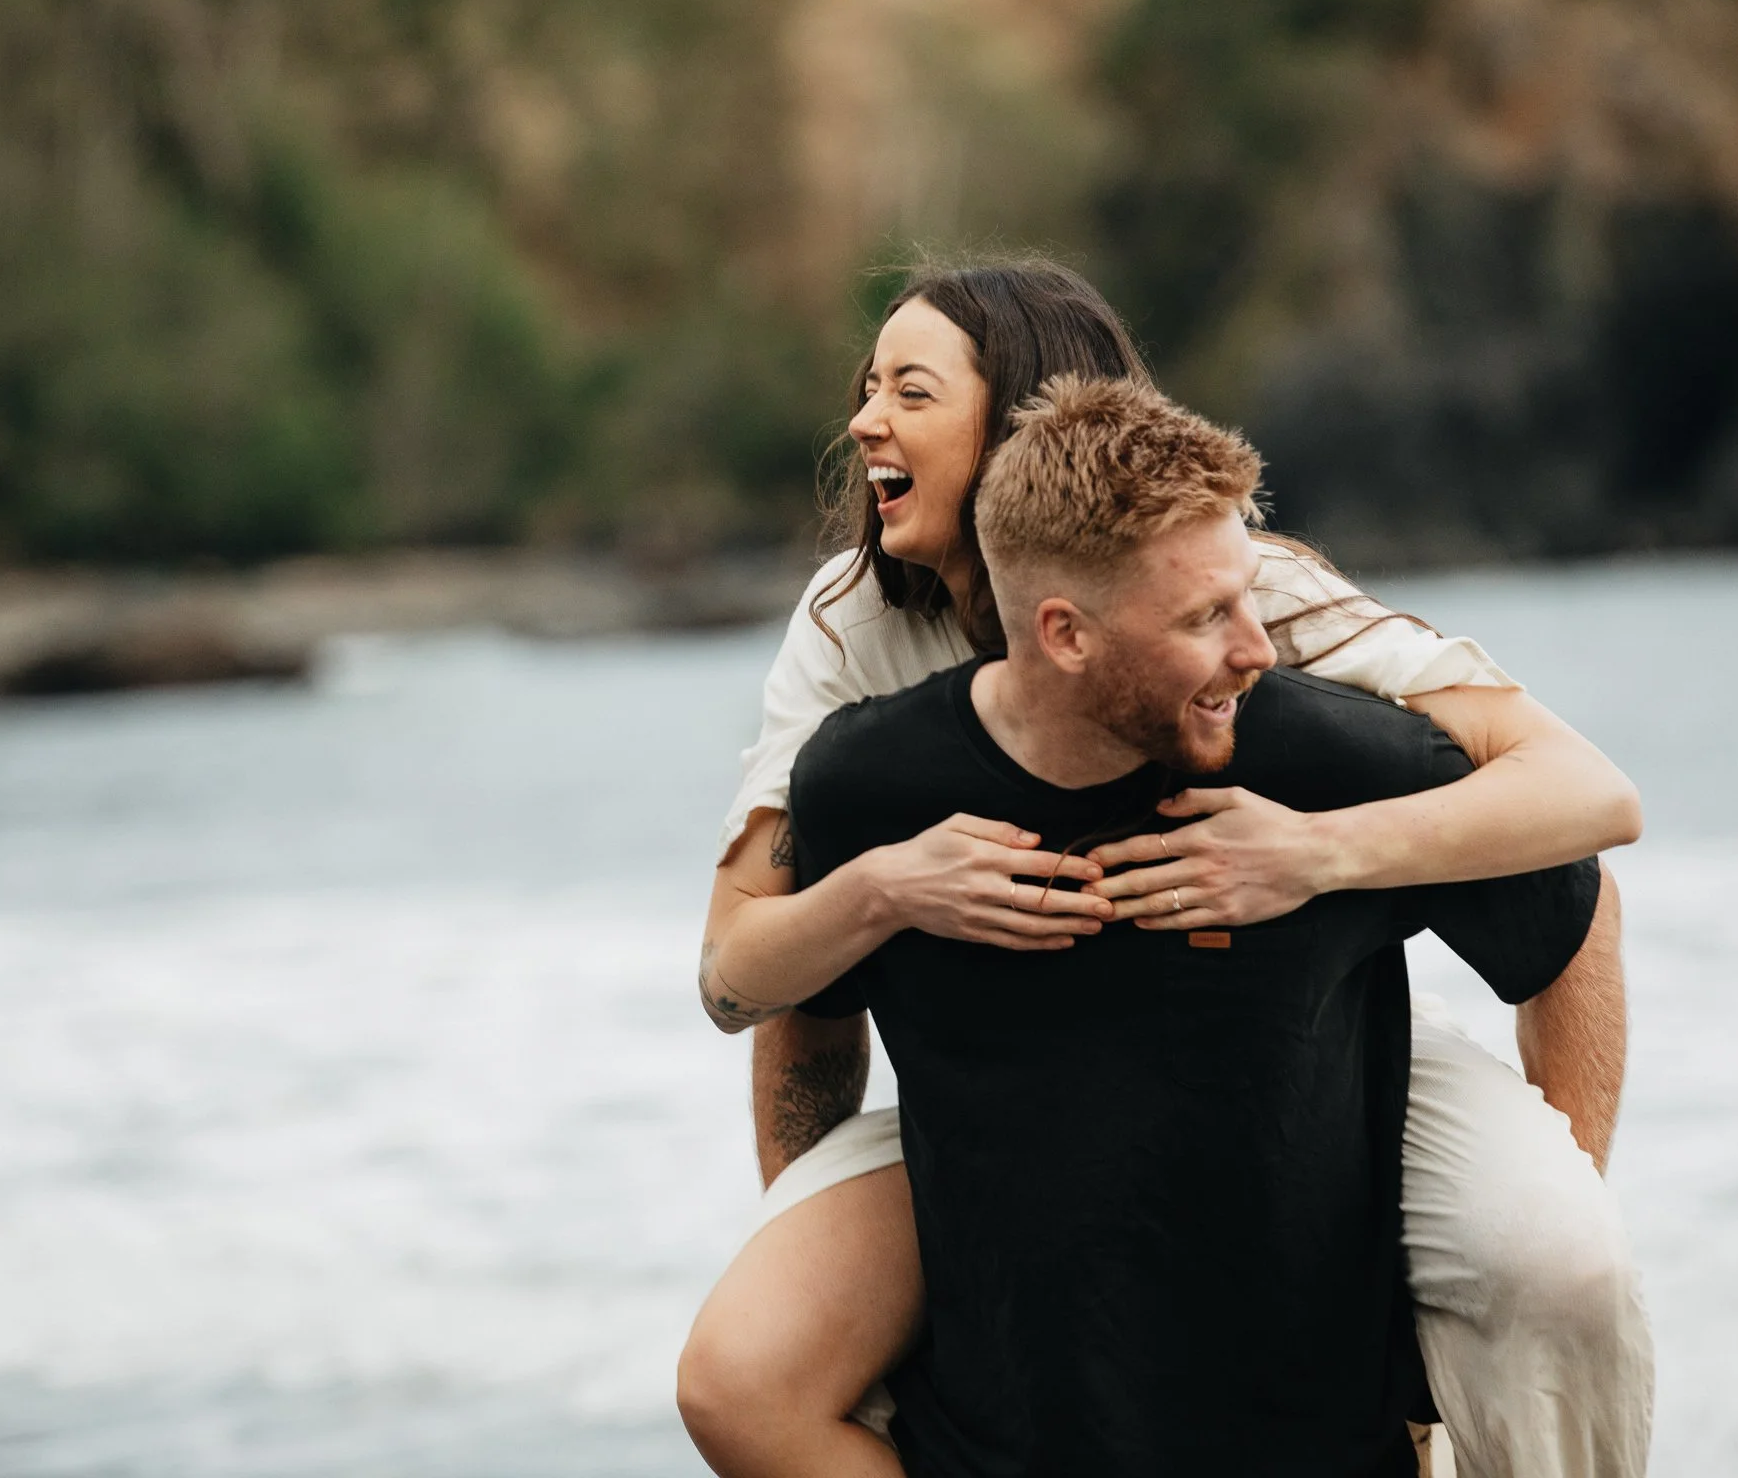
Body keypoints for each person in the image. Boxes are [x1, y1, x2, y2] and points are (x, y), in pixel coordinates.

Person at [675, 261, 1651, 1476]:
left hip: (1303, 1022)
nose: (865, 420)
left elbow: (1583, 810)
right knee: (753, 1368)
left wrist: (1313, 855)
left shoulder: (1249, 586)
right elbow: (748, 968)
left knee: (1558, 1260)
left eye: (911, 391)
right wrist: (885, 888)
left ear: (1024, 414)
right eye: (866, 387)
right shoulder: (855, 622)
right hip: (999, 1079)